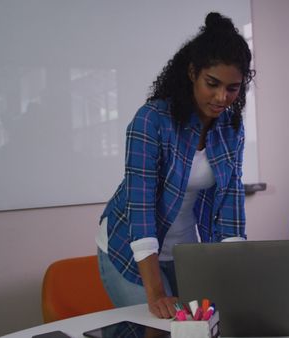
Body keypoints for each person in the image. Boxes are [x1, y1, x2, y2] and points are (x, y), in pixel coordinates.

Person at [95, 12, 254, 319]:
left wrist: (235, 278)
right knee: (162, 324)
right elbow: (139, 209)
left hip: (185, 249)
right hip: (130, 248)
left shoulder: (231, 127)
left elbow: (231, 206)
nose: (222, 97)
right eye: (213, 83)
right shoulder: (152, 120)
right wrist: (156, 294)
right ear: (192, 72)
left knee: (206, 323)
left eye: (233, 88)